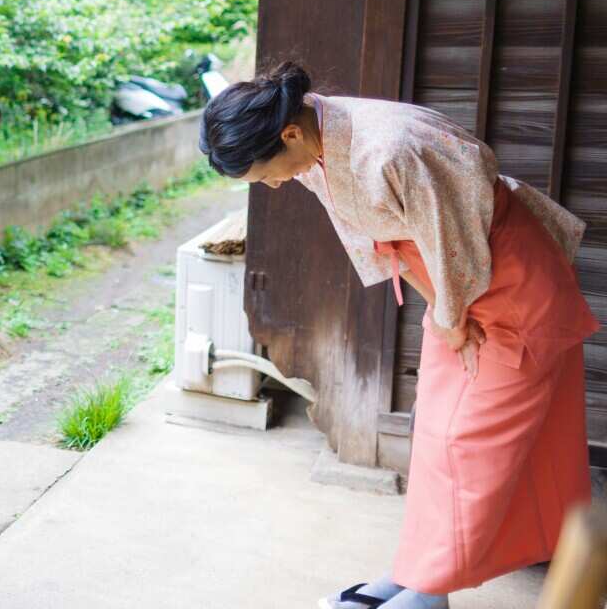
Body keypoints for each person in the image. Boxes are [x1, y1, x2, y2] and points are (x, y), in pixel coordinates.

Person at [200, 62, 597, 609]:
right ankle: (417, 574)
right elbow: (373, 239)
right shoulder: (311, 144)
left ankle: (428, 591)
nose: (272, 184)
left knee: (473, 442)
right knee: (435, 432)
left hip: (506, 281)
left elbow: (458, 241)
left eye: (264, 173)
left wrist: (452, 317)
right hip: (452, 289)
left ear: (287, 133)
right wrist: (444, 313)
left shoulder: (390, 149)